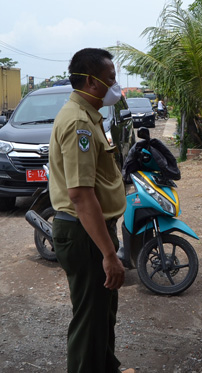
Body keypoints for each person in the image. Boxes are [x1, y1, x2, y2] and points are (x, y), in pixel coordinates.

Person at [48, 47, 134, 373]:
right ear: (90, 81)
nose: (116, 86)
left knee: (103, 311)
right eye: (111, 79)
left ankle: (107, 367)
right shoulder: (78, 123)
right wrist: (109, 254)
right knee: (89, 319)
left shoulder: (89, 116)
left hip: (93, 230)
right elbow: (81, 196)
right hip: (84, 232)